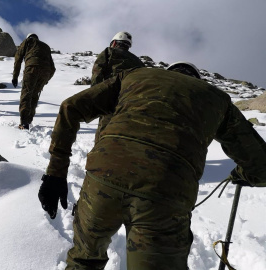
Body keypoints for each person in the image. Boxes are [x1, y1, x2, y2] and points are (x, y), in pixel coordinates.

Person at [38, 62, 266, 269]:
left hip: (103, 179)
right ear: (198, 80)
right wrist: (242, 174)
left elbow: (70, 107)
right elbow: (261, 165)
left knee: (83, 261)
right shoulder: (216, 99)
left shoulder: (133, 76)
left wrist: (56, 174)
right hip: (165, 193)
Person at [92, 31, 145, 143]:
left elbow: (97, 73)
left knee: (104, 134)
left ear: (114, 43)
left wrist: (94, 96)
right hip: (131, 102)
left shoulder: (108, 52)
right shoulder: (139, 62)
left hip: (111, 98)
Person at [12, 33, 55, 130]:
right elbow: (53, 68)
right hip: (45, 72)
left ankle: (24, 123)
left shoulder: (28, 41)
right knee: (34, 95)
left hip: (32, 68)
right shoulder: (46, 46)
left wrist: (15, 77)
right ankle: (28, 120)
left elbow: (18, 58)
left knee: (26, 94)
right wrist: (46, 80)